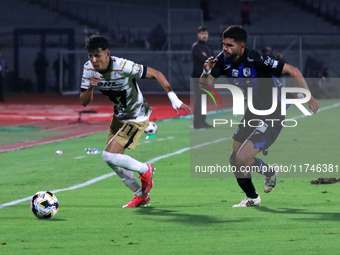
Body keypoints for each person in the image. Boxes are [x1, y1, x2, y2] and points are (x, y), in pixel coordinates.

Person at [201, 25, 319, 207]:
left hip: (273, 111)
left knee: (242, 159)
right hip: (253, 112)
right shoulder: (222, 60)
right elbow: (205, 85)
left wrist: (308, 95)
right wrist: (207, 71)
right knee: (234, 159)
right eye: (224, 44)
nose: (225, 48)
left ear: (241, 47)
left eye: (229, 45)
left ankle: (259, 186)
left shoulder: (256, 59)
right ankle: (255, 194)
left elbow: (293, 71)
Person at [80, 35, 191, 208]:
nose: (93, 60)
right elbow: (84, 102)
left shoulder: (123, 66)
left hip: (137, 115)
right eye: (90, 55)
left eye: (97, 55)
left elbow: (156, 73)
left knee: (108, 155)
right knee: (111, 159)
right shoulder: (88, 69)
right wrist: (90, 87)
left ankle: (145, 169)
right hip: (119, 116)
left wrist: (174, 98)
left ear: (107, 53)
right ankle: (140, 195)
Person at [192, 26, 214, 129]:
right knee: (199, 99)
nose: (204, 35)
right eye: (202, 34)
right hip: (198, 76)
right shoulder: (196, 46)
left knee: (205, 99)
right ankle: (197, 122)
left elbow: (213, 60)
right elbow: (204, 59)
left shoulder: (208, 46)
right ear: (198, 35)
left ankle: (203, 121)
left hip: (206, 77)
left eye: (205, 33)